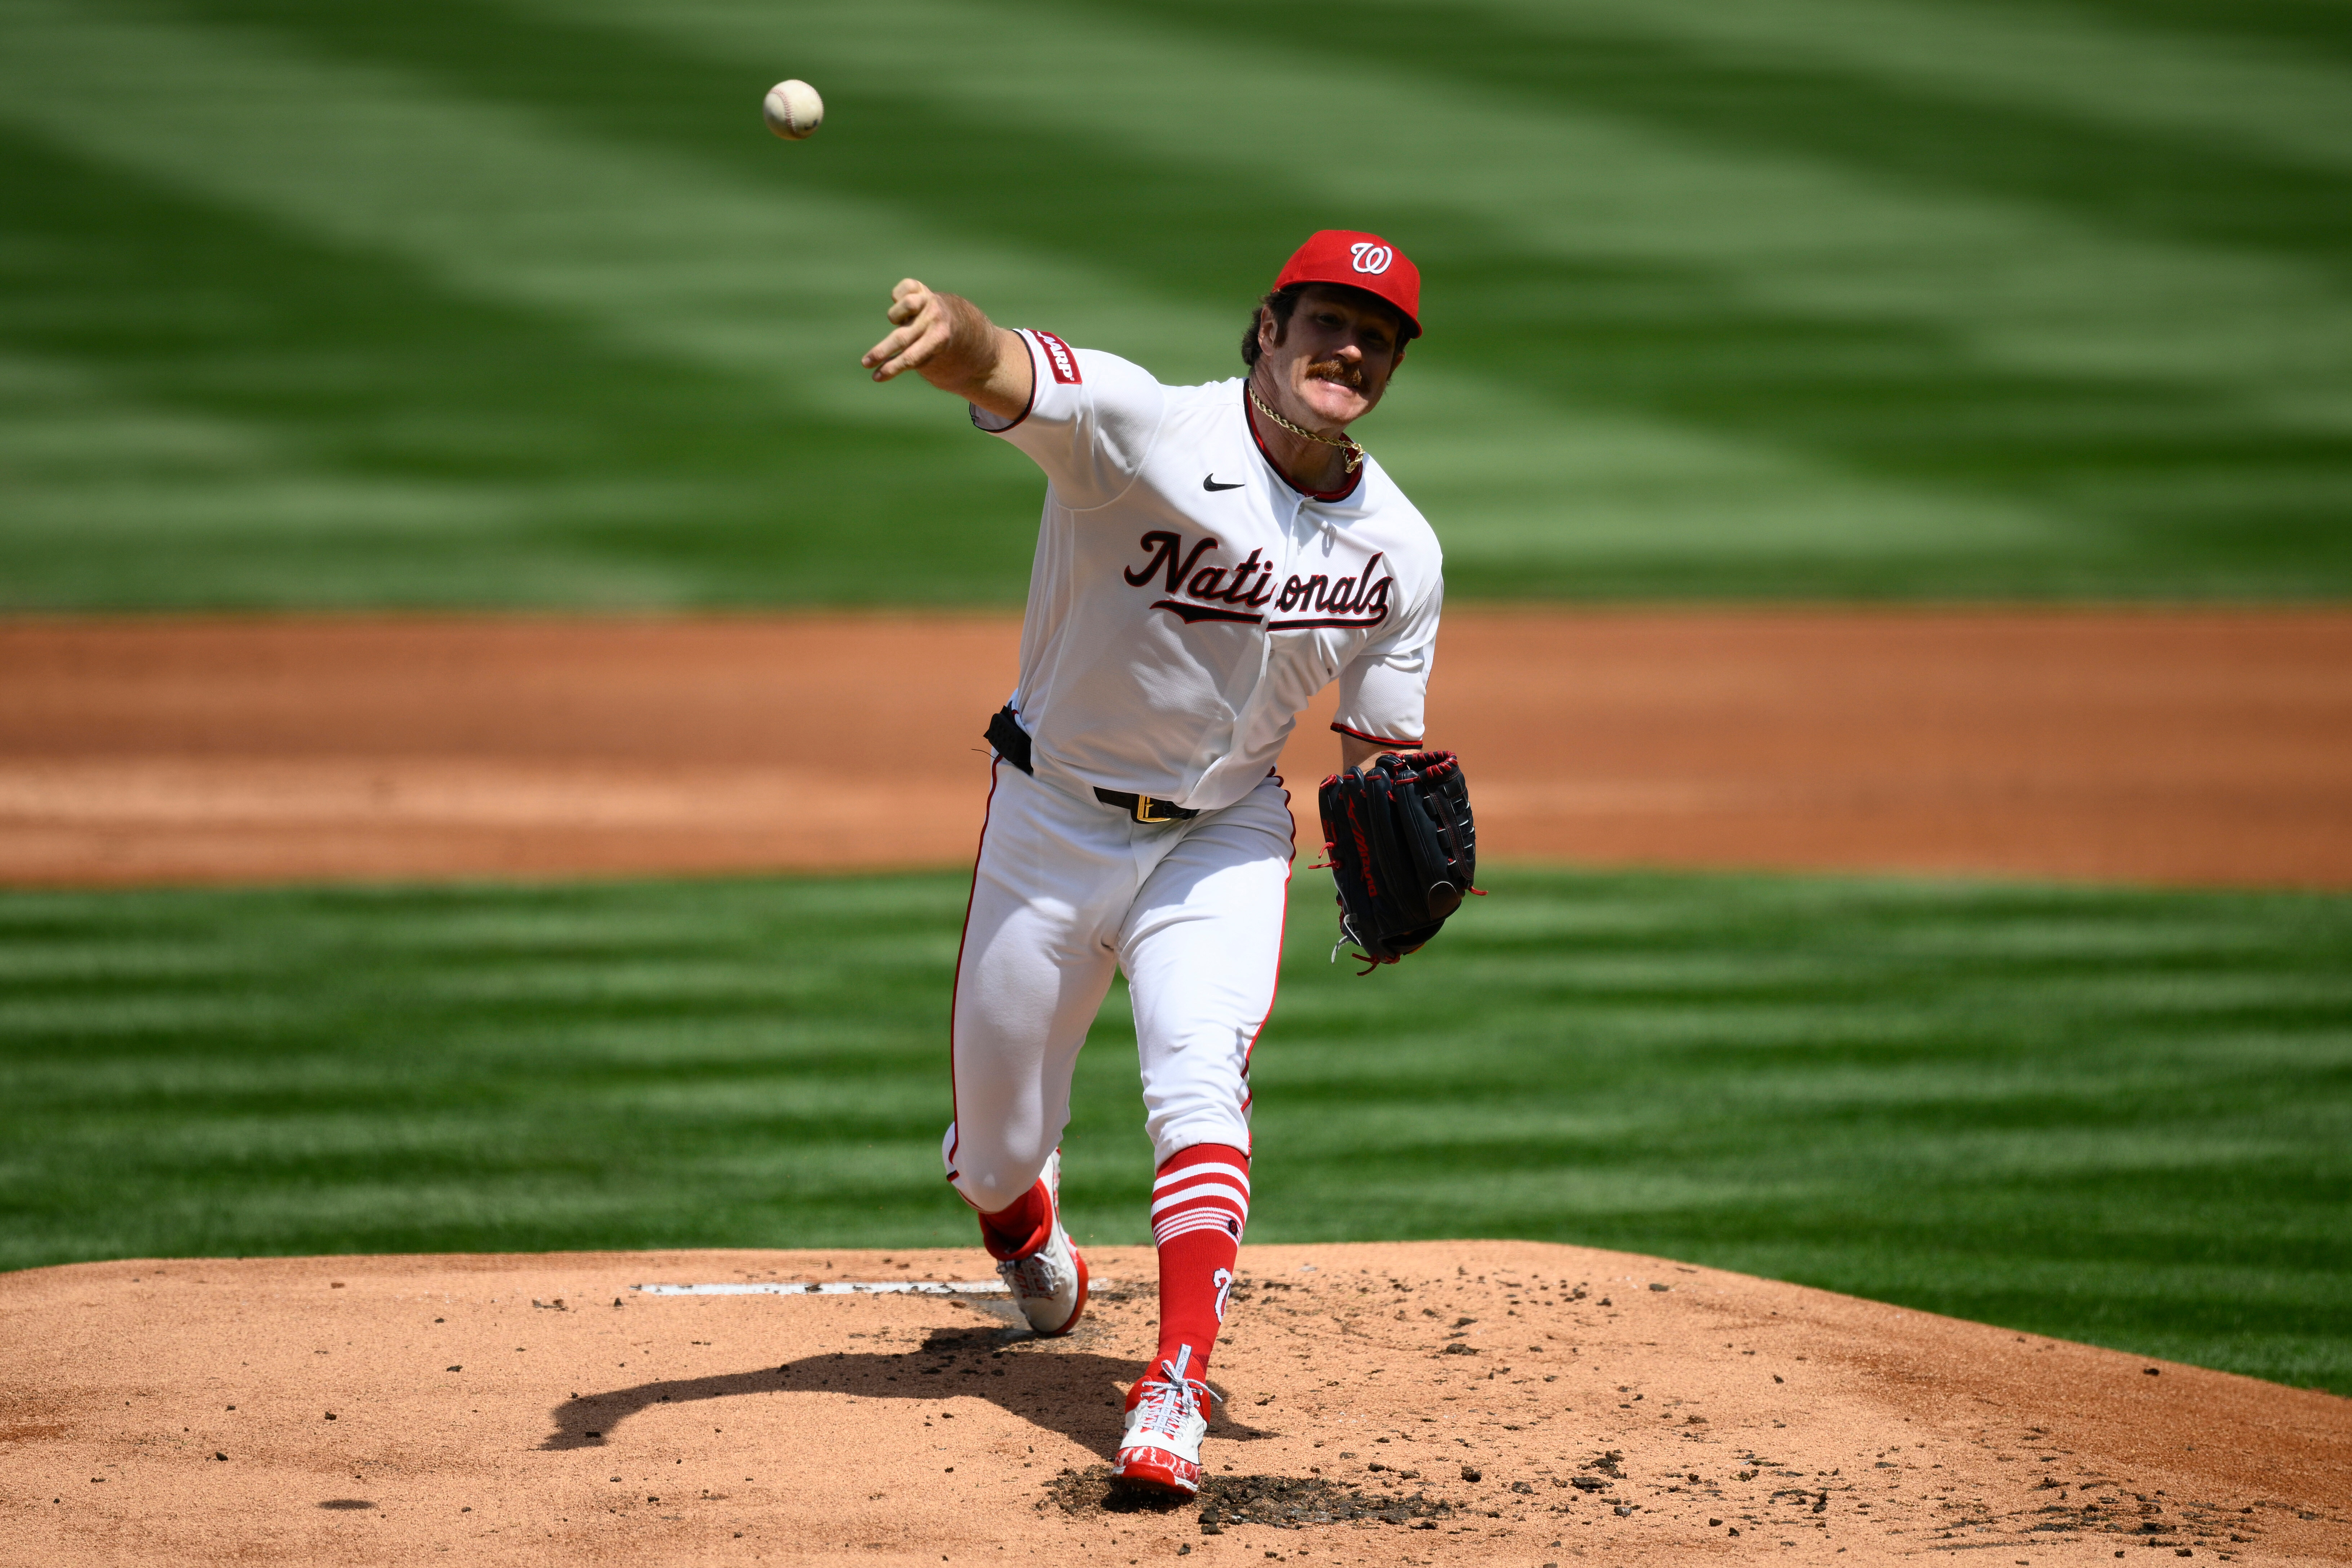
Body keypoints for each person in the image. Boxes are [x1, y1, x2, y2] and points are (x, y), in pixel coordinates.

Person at [859, 232, 1443, 1496]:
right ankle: (1023, 1224)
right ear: (1267, 330)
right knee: (996, 1152)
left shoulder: (1400, 552)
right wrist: (946, 329)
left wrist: (1386, 818)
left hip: (1223, 838)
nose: (1348, 349)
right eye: (1325, 324)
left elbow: (1375, 755)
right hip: (1050, 821)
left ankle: (1172, 1382)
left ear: (1391, 366)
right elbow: (1008, 364)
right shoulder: (1138, 427)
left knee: (1198, 1080)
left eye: (1377, 336)